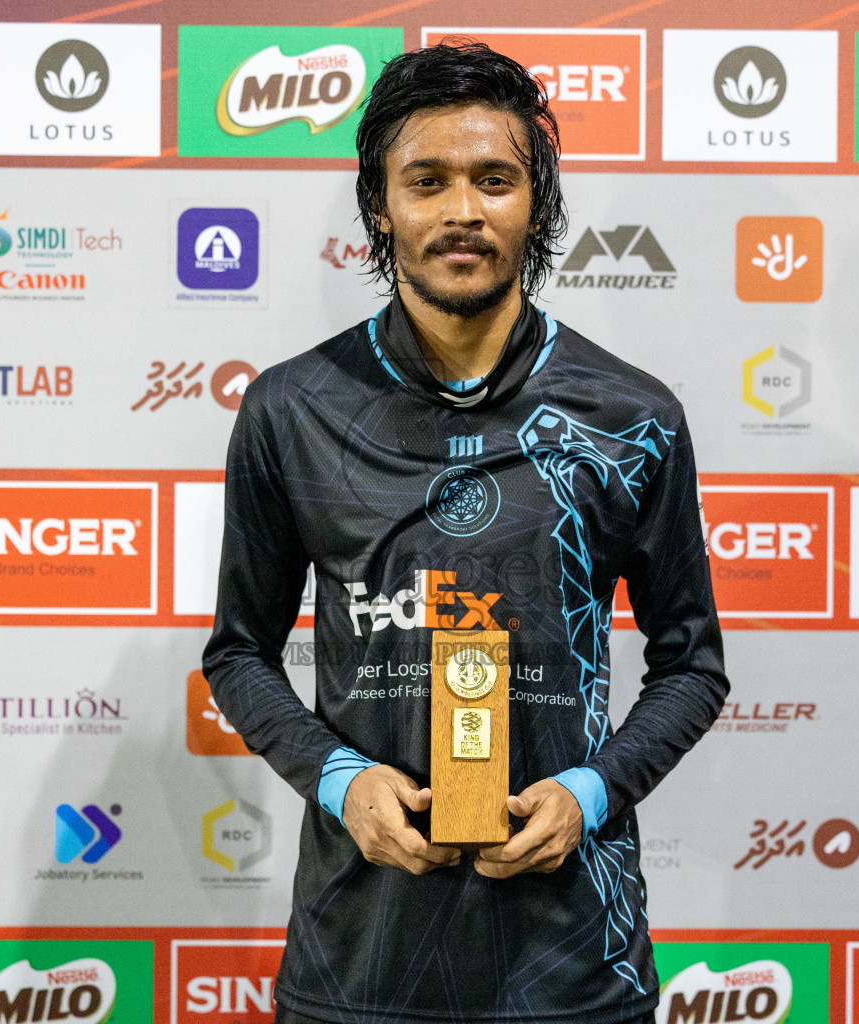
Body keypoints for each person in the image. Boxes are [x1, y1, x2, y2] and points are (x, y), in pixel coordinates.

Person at [202, 41, 728, 1024]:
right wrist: (342, 780)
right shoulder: (291, 409)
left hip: (573, 963)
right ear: (379, 205)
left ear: (539, 203)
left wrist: (591, 791)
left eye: (495, 180)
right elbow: (240, 652)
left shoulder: (630, 415)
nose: (462, 211)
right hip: (359, 958)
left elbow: (691, 662)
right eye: (426, 180)